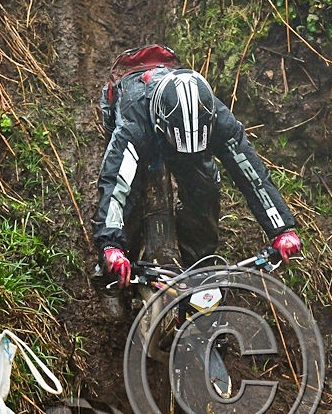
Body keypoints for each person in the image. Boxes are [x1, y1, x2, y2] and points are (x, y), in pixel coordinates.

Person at [92, 45, 302, 288]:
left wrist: (282, 229)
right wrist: (111, 246)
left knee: (205, 188)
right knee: (130, 200)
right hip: (136, 116)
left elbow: (251, 174)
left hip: (181, 137)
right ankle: (115, 274)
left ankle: (201, 268)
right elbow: (115, 184)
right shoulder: (133, 124)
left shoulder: (218, 117)